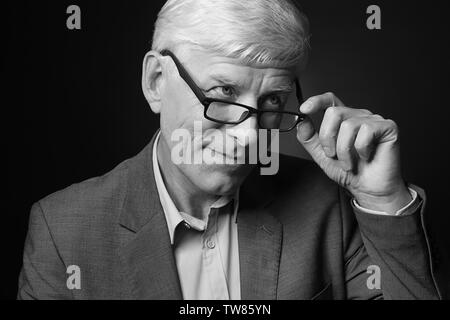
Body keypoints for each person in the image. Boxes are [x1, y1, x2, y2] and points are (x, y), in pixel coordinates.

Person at [18, 0, 441, 300]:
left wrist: (382, 201)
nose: (249, 137)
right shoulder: (63, 231)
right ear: (155, 82)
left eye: (273, 101)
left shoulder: (329, 205)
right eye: (222, 93)